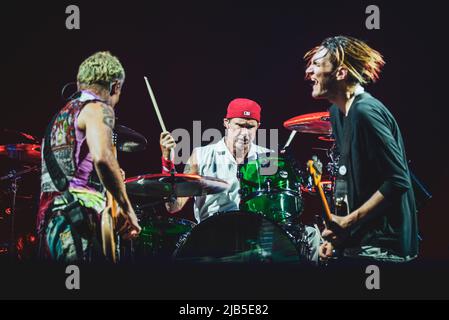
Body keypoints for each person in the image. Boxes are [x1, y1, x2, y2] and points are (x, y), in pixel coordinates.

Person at [160, 98, 320, 263]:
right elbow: (173, 206)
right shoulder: (201, 155)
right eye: (239, 125)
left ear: (258, 126)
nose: (244, 132)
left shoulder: (267, 158)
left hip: (254, 238)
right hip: (212, 237)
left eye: (250, 126)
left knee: (310, 236)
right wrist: (167, 160)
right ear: (226, 123)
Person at [304, 36, 418, 263]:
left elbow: (398, 181)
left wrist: (349, 221)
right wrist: (335, 238)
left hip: (382, 248)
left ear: (341, 73)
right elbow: (349, 181)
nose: (309, 71)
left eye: (317, 64)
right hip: (357, 243)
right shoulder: (337, 114)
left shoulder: (366, 112)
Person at [37, 51, 141, 262]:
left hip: (50, 223)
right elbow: (103, 158)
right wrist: (127, 208)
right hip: (79, 220)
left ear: (79, 83)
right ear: (115, 87)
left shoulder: (60, 117)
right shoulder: (98, 108)